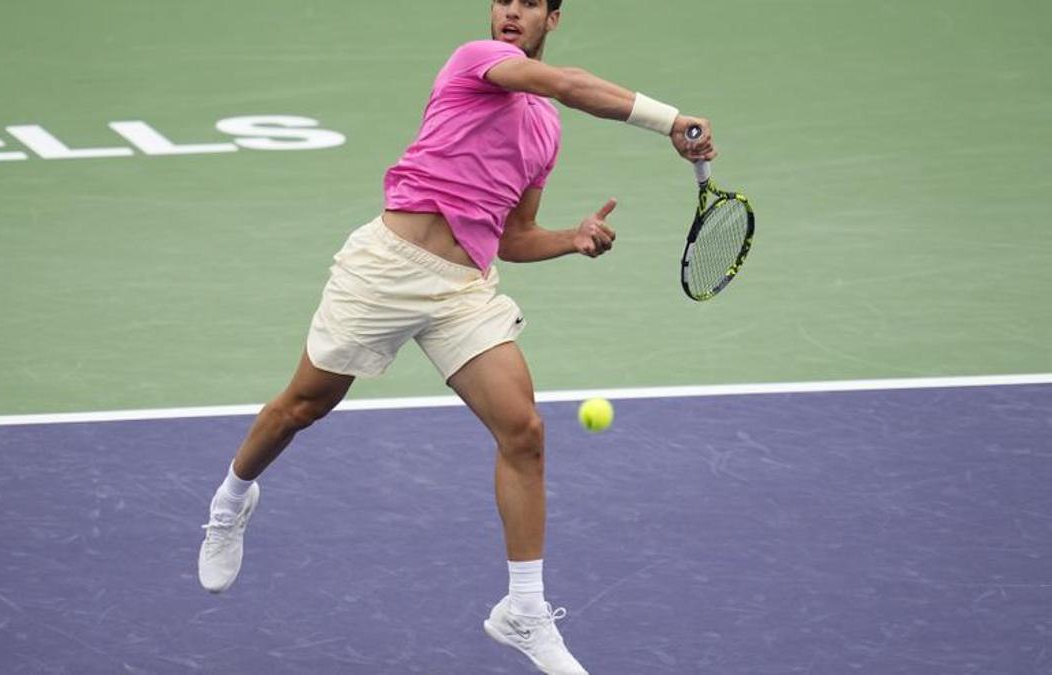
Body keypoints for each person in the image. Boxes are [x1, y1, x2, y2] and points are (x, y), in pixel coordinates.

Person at [197, 0, 715, 672]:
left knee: (523, 430)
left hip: (462, 289)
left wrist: (571, 239)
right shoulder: (478, 62)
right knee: (302, 405)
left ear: (552, 19)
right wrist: (669, 120)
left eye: (530, 4)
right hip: (385, 268)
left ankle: (523, 611)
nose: (511, 12)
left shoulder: (544, 131)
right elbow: (565, 82)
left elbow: (511, 236)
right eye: (504, 0)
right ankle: (231, 499)